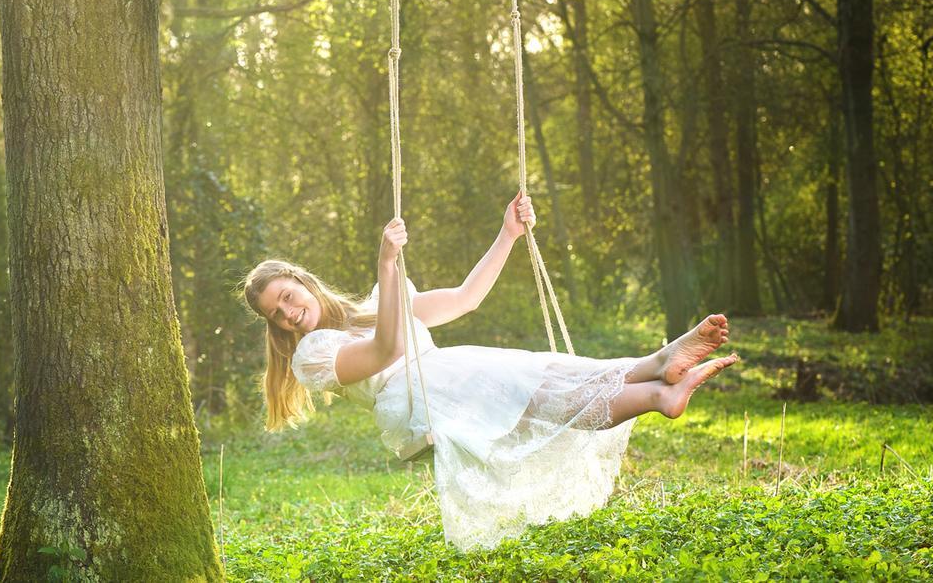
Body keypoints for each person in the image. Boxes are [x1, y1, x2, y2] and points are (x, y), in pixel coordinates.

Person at [241, 193, 739, 551]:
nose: (288, 313)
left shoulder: (376, 304)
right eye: (276, 315)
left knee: (553, 372)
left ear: (302, 282)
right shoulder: (312, 355)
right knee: (549, 402)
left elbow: (464, 298)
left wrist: (508, 234)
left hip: (451, 372)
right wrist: (387, 265)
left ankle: (661, 364)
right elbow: (385, 349)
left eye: (287, 296)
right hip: (424, 399)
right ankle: (657, 394)